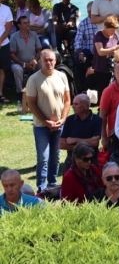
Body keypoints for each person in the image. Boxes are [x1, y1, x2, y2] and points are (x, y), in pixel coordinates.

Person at [26, 49, 70, 193]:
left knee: (55, 157)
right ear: (40, 61)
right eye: (46, 60)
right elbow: (31, 104)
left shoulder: (62, 76)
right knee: (43, 158)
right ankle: (41, 188)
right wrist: (46, 122)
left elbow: (67, 100)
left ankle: (52, 185)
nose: (49, 63)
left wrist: (63, 119)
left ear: (55, 60)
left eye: (51, 60)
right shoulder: (33, 79)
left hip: (59, 126)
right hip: (41, 127)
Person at [59, 94, 102, 171]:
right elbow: (61, 144)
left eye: (76, 104)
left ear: (86, 106)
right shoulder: (69, 120)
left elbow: (95, 143)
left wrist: (74, 140)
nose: (73, 106)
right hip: (71, 161)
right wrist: (85, 147)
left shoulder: (97, 120)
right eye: (73, 103)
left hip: (90, 162)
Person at [99, 62, 119, 152]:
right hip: (116, 136)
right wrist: (104, 137)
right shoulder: (108, 91)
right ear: (114, 74)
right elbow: (102, 115)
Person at [92, 15, 119, 101]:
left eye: (115, 30)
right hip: (101, 68)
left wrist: (118, 51)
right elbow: (100, 51)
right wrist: (114, 49)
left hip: (113, 67)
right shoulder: (98, 35)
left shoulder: (116, 35)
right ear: (105, 27)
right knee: (103, 91)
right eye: (111, 30)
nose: (113, 32)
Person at [9, 15, 42, 101]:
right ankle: (19, 92)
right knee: (17, 69)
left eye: (28, 22)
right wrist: (24, 64)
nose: (27, 25)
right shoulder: (14, 36)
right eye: (24, 23)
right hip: (18, 63)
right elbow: (12, 55)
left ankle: (41, 90)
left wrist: (35, 60)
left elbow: (39, 51)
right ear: (19, 25)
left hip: (33, 62)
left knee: (42, 67)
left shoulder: (34, 34)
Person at [73, 2, 98, 88]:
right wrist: (80, 53)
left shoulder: (102, 22)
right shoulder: (83, 24)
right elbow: (77, 41)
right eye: (89, 11)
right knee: (78, 61)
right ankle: (83, 85)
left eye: (92, 11)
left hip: (100, 52)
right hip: (87, 52)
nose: (90, 13)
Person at [0, 0, 13, 103]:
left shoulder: (6, 9)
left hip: (3, 44)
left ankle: (0, 93)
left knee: (2, 70)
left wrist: (0, 41)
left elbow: (8, 28)